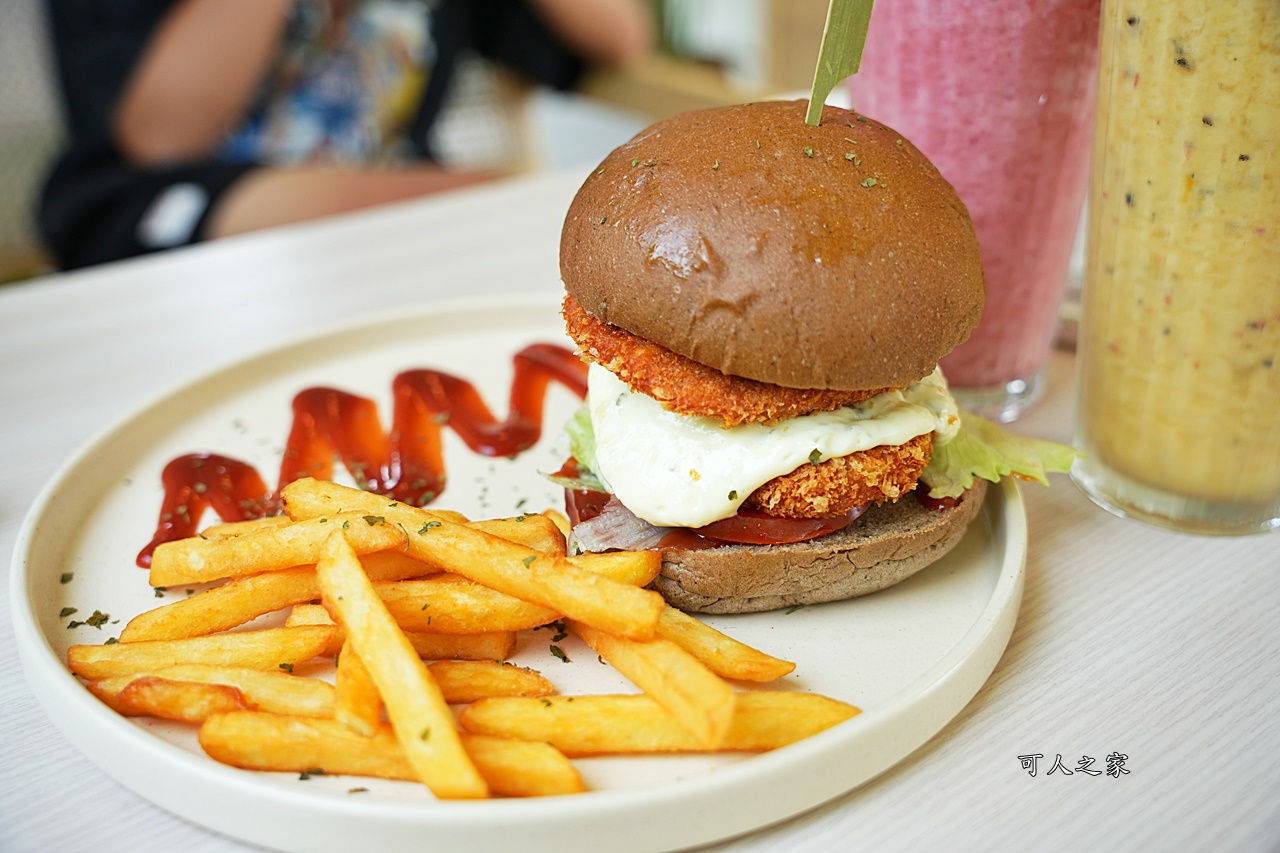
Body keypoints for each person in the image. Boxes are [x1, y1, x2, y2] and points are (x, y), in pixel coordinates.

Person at [38, 0, 651, 270]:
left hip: (386, 190)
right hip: (154, 201)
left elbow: (622, 37)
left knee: (499, 213)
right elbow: (161, 138)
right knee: (495, 210)